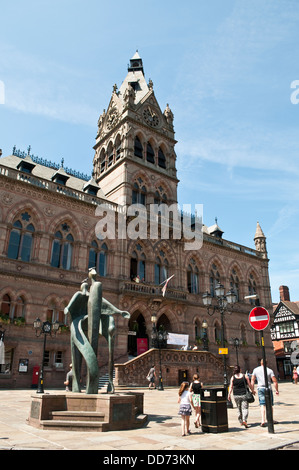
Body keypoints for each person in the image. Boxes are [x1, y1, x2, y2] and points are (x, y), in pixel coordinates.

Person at [251, 359, 279, 427]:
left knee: (262, 404)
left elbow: (252, 380)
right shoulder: (269, 370)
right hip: (268, 388)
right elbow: (275, 381)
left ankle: (263, 420)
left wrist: (252, 390)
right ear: (267, 363)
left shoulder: (256, 370)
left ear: (260, 363)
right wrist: (277, 390)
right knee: (270, 405)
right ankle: (270, 419)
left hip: (260, 388)